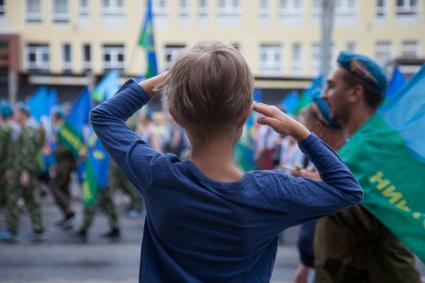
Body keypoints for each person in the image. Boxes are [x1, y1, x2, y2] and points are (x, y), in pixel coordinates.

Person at [91, 42, 363, 282]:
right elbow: (347, 189)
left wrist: (169, 78)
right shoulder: (271, 192)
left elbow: (104, 117)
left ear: (174, 114)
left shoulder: (157, 176)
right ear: (246, 114)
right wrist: (300, 132)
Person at [315, 51, 421, 283]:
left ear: (355, 93)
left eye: (332, 86)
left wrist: (317, 185)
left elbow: (377, 216)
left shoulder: (380, 148)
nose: (324, 95)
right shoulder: (360, 146)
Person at [292, 98, 346, 283]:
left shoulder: (350, 164)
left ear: (317, 128)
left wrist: (319, 183)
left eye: (302, 130)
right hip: (323, 265)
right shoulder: (324, 162)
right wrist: (306, 263)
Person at [1, 104, 45, 242]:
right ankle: (37, 228)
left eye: (17, 112)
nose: (14, 114)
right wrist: (10, 168)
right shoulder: (21, 129)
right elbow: (15, 153)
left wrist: (24, 172)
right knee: (29, 199)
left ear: (24, 114)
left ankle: (13, 231)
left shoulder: (28, 131)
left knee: (16, 199)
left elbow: (27, 153)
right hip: (18, 169)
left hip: (23, 171)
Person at [50, 107, 76, 229]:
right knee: (64, 189)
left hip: (65, 165)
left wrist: (53, 151)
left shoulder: (65, 130)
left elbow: (70, 148)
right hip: (62, 164)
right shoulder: (60, 129)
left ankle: (68, 210)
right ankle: (67, 215)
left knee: (55, 188)